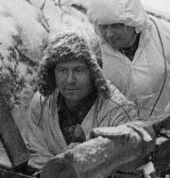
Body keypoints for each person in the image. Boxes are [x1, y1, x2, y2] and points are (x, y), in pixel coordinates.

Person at [24, 33, 138, 169]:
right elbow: (37, 155)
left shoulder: (118, 111)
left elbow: (124, 166)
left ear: (94, 73)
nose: (70, 80)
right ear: (52, 73)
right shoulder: (41, 103)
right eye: (62, 70)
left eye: (79, 70)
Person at [86, 0, 170, 118]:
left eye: (116, 26)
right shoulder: (95, 51)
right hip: (122, 133)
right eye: (103, 27)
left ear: (132, 22)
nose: (109, 34)